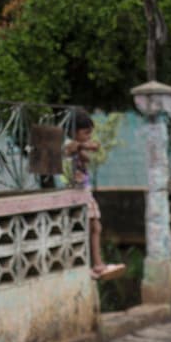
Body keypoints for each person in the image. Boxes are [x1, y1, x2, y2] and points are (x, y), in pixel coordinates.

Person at [64, 110, 120, 278]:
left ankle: (94, 263)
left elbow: (85, 157)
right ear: (74, 132)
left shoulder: (74, 146)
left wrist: (83, 150)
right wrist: (85, 145)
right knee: (94, 227)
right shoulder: (69, 144)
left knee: (94, 227)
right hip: (78, 193)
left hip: (83, 191)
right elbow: (75, 148)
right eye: (85, 132)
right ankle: (97, 264)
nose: (89, 136)